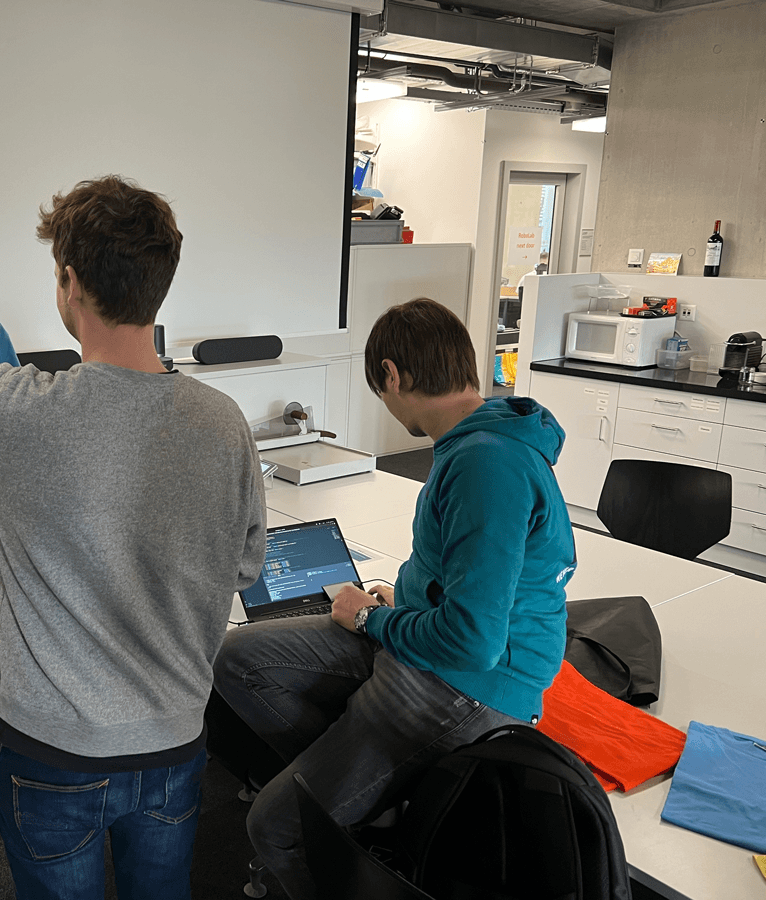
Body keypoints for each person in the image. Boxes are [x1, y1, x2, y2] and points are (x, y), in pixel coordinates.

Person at [0, 175, 267, 900]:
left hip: (50, 755)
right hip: (174, 743)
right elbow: (244, 566)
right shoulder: (224, 423)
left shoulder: (16, 413)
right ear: (159, 287)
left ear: (70, 283)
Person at [212, 297, 577, 900]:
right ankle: (370, 798)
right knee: (239, 659)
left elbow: (474, 640)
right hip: (434, 646)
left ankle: (348, 808)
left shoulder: (487, 464)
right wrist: (402, 598)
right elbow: (460, 574)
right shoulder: (476, 444)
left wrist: (377, 620)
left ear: (391, 375)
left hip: (469, 686)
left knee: (275, 829)